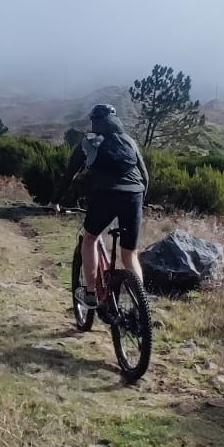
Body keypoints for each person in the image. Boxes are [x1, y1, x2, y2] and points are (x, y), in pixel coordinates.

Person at [54, 104, 148, 312]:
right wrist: (139, 202)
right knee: (130, 254)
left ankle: (90, 294)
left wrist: (56, 200)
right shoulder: (129, 140)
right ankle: (141, 309)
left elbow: (70, 174)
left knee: (90, 238)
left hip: (106, 194)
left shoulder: (88, 142)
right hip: (134, 195)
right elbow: (145, 176)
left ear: (95, 121)